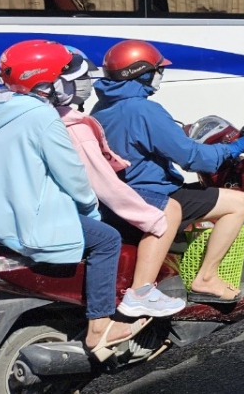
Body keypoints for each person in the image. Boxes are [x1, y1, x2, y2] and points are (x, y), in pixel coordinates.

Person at [0, 40, 149, 359]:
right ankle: (100, 325)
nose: (72, 85)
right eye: (67, 78)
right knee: (108, 239)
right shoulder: (42, 118)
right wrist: (91, 212)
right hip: (19, 219)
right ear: (46, 83)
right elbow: (74, 178)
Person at [92, 40, 244, 302]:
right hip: (151, 193)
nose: (160, 76)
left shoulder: (102, 107)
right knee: (239, 202)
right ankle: (207, 277)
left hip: (120, 196)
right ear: (142, 72)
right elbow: (193, 158)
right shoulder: (143, 109)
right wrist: (231, 149)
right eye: (158, 70)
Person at [55, 48, 186, 317]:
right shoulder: (75, 125)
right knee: (113, 237)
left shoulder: (90, 110)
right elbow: (103, 185)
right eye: (158, 70)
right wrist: (144, 213)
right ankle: (116, 311)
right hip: (92, 204)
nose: (85, 83)